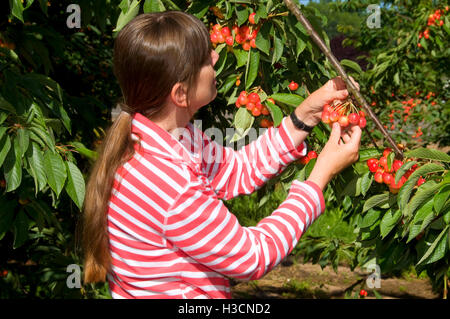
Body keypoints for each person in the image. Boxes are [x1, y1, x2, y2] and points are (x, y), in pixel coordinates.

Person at [81, 11, 361, 299]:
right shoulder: (169, 184)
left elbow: (237, 169)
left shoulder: (168, 136)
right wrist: (320, 176)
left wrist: (304, 117)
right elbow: (251, 257)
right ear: (180, 93)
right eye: (205, 59)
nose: (215, 57)